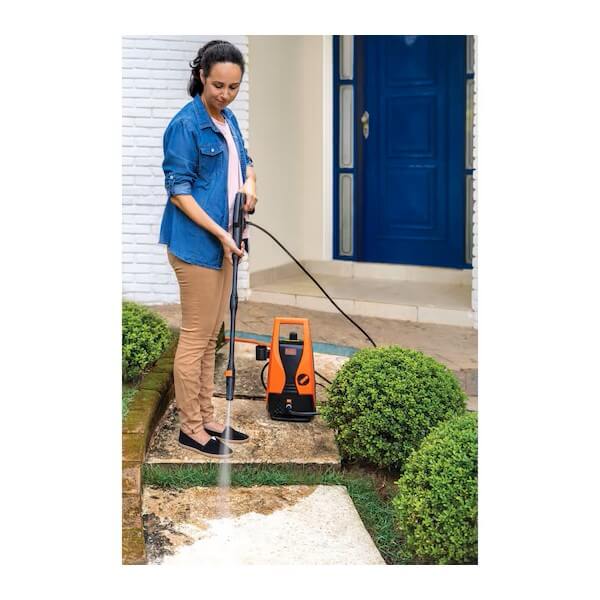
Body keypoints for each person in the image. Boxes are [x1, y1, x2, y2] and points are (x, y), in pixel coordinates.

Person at [158, 40, 257, 458]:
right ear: (201, 76)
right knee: (196, 337)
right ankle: (191, 428)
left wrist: (251, 184)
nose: (225, 94)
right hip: (198, 246)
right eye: (218, 85)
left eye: (233, 87)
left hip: (225, 243)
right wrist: (220, 232)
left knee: (211, 336)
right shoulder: (185, 126)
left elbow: (246, 160)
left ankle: (207, 416)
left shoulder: (227, 118)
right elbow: (179, 192)